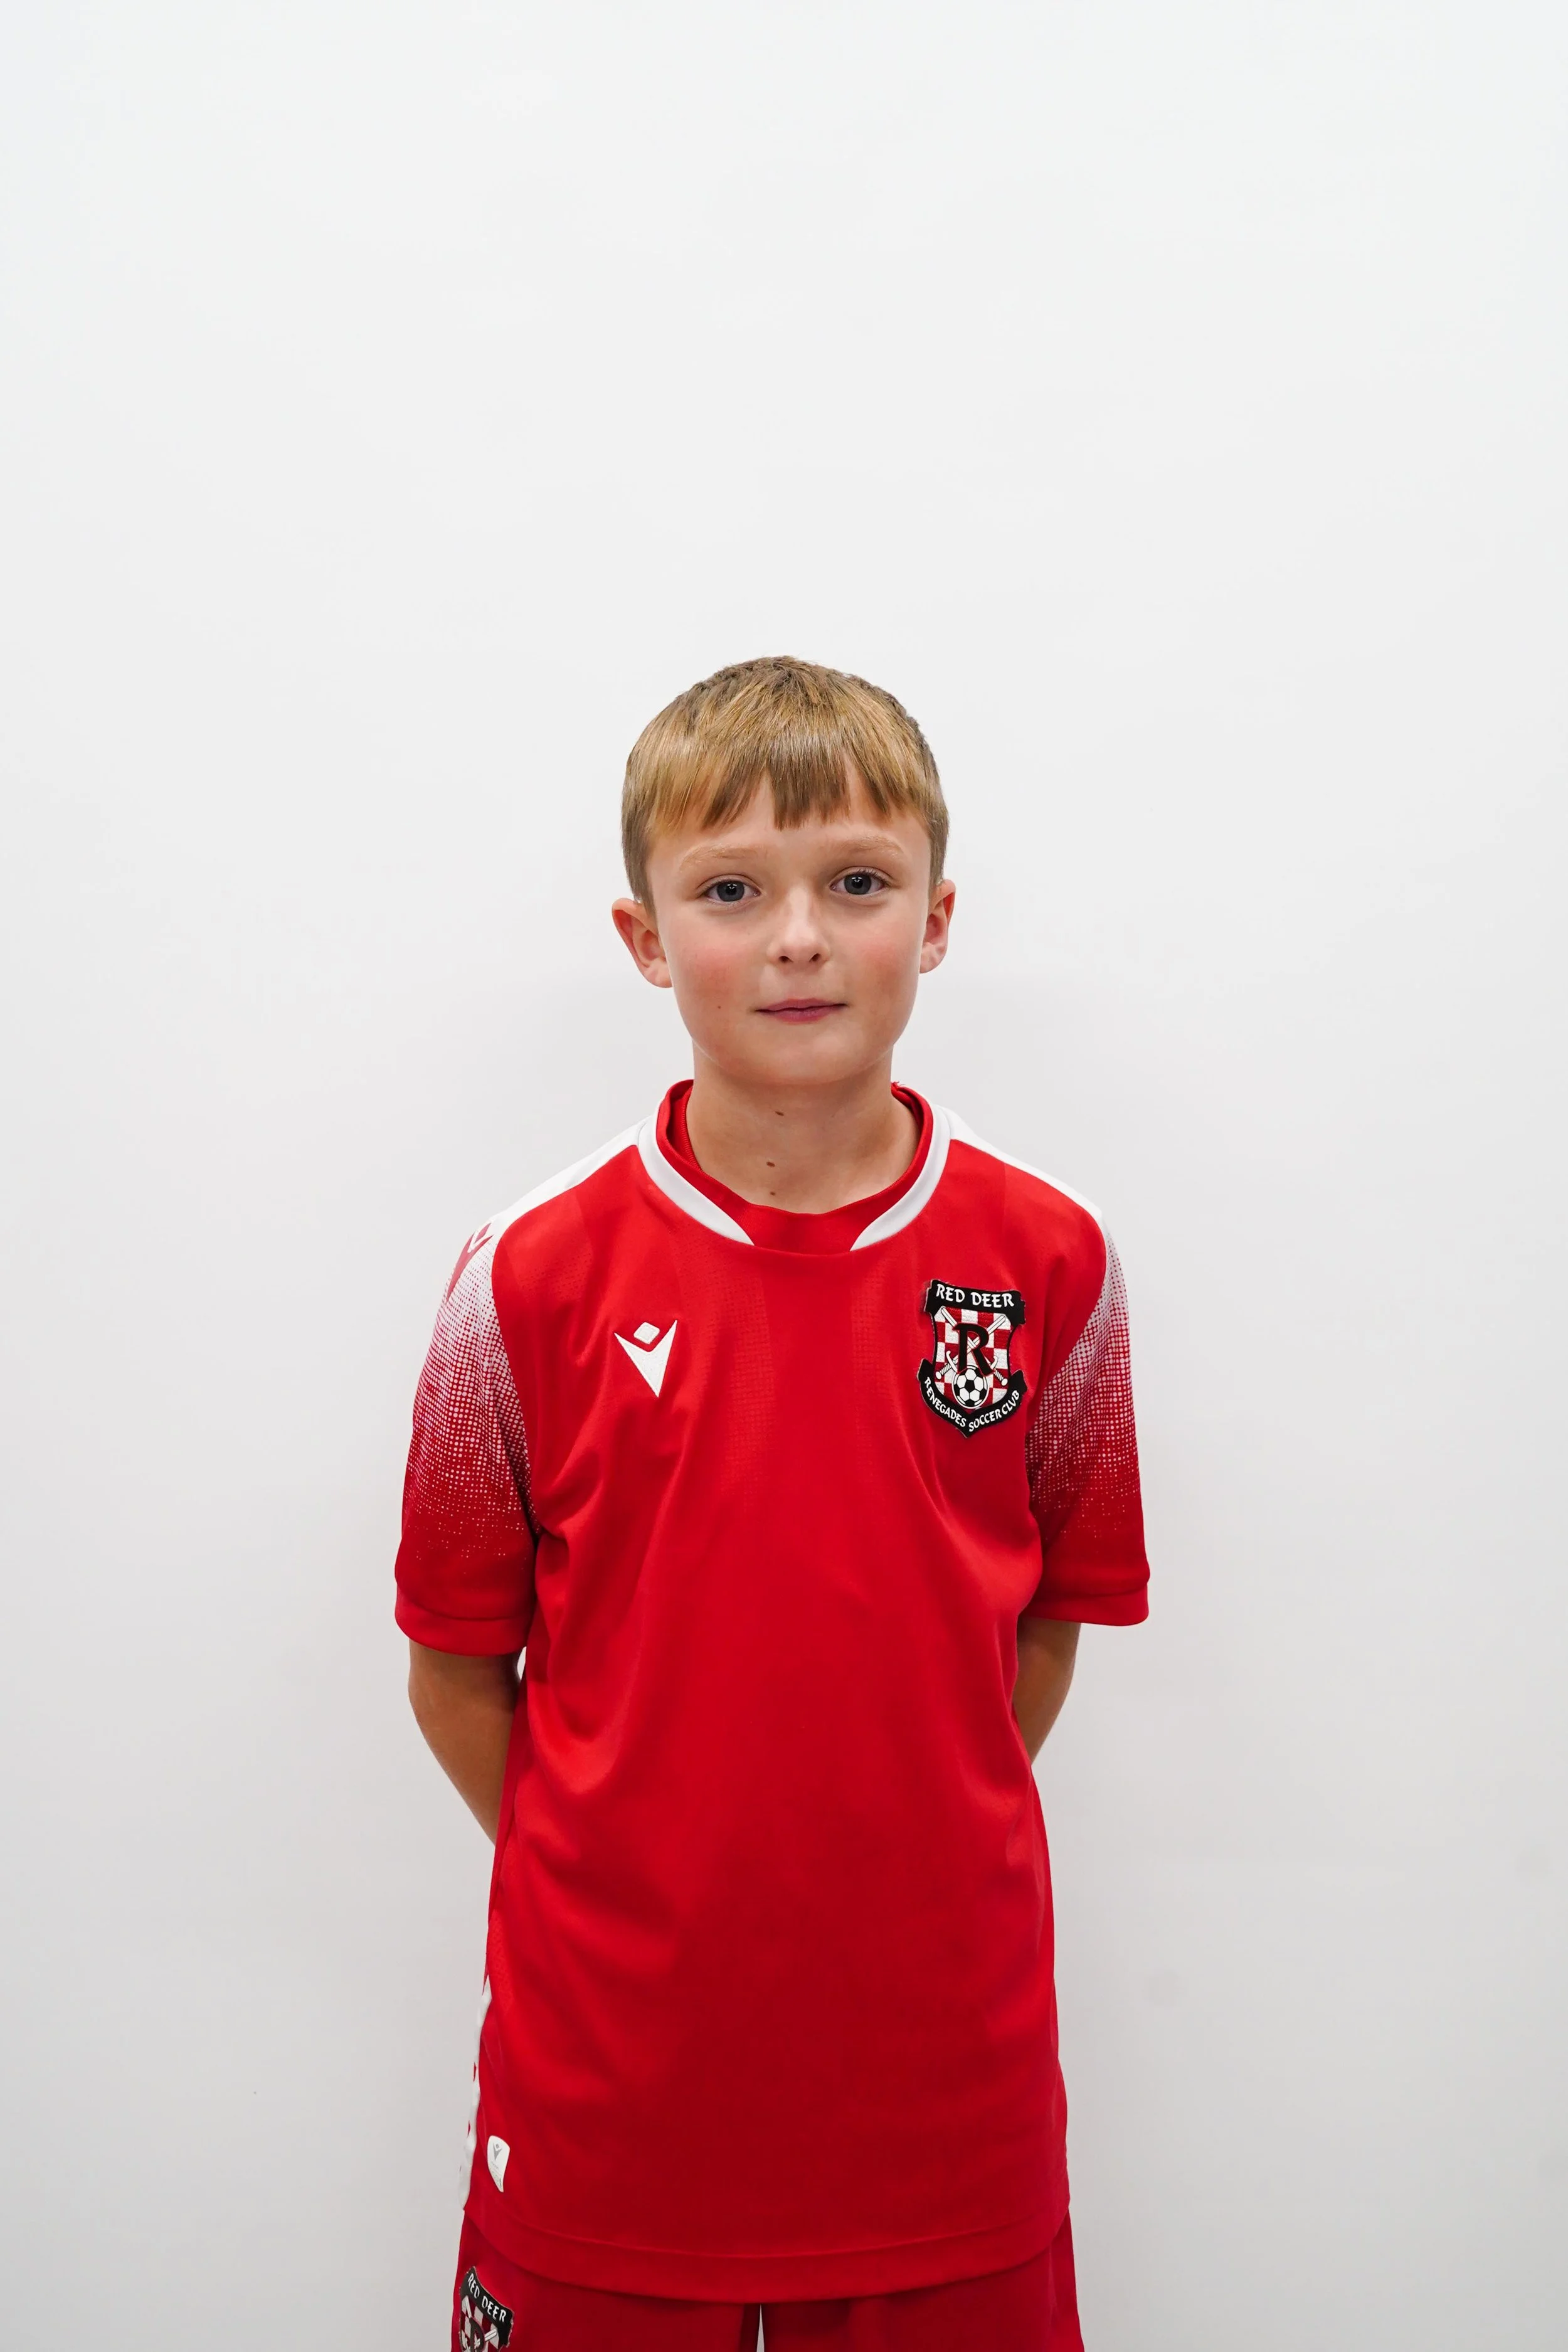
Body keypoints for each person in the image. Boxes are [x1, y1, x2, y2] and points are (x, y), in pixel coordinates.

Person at [396, 657, 1151, 2351]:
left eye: (856, 882)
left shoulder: (1054, 1261)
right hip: (609, 2092)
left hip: (942, 2097)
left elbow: (1042, 1627)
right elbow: (455, 1673)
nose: (798, 937)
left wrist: (893, 1833)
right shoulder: (520, 1280)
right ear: (645, 936)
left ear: (936, 919)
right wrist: (633, 1875)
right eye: (731, 890)